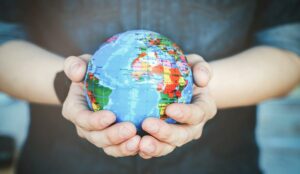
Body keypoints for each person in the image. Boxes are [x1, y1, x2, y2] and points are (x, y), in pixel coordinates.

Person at [0, 0, 299, 173]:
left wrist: (199, 93)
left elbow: (289, 48)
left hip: (219, 161)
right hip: (60, 162)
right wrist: (69, 85)